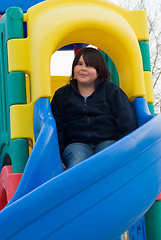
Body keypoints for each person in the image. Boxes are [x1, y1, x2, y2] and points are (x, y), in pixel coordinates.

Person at [51, 47, 137, 169]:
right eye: (79, 64)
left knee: (109, 160)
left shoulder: (112, 92)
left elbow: (126, 121)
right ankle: (79, 187)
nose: (83, 69)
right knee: (78, 162)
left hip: (107, 141)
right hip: (76, 144)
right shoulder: (62, 95)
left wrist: (126, 148)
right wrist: (57, 154)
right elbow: (57, 127)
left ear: (99, 71)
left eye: (89, 65)